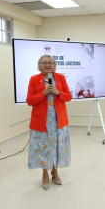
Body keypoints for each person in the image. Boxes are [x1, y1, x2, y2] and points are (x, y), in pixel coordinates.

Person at [26, 55, 72, 190]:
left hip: (58, 120)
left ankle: (55, 171)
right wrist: (43, 93)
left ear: (54, 65)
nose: (47, 64)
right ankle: (45, 173)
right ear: (39, 65)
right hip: (42, 121)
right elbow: (29, 100)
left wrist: (58, 92)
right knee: (43, 147)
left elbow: (68, 97)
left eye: (51, 62)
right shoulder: (34, 79)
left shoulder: (61, 78)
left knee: (57, 146)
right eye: (44, 62)